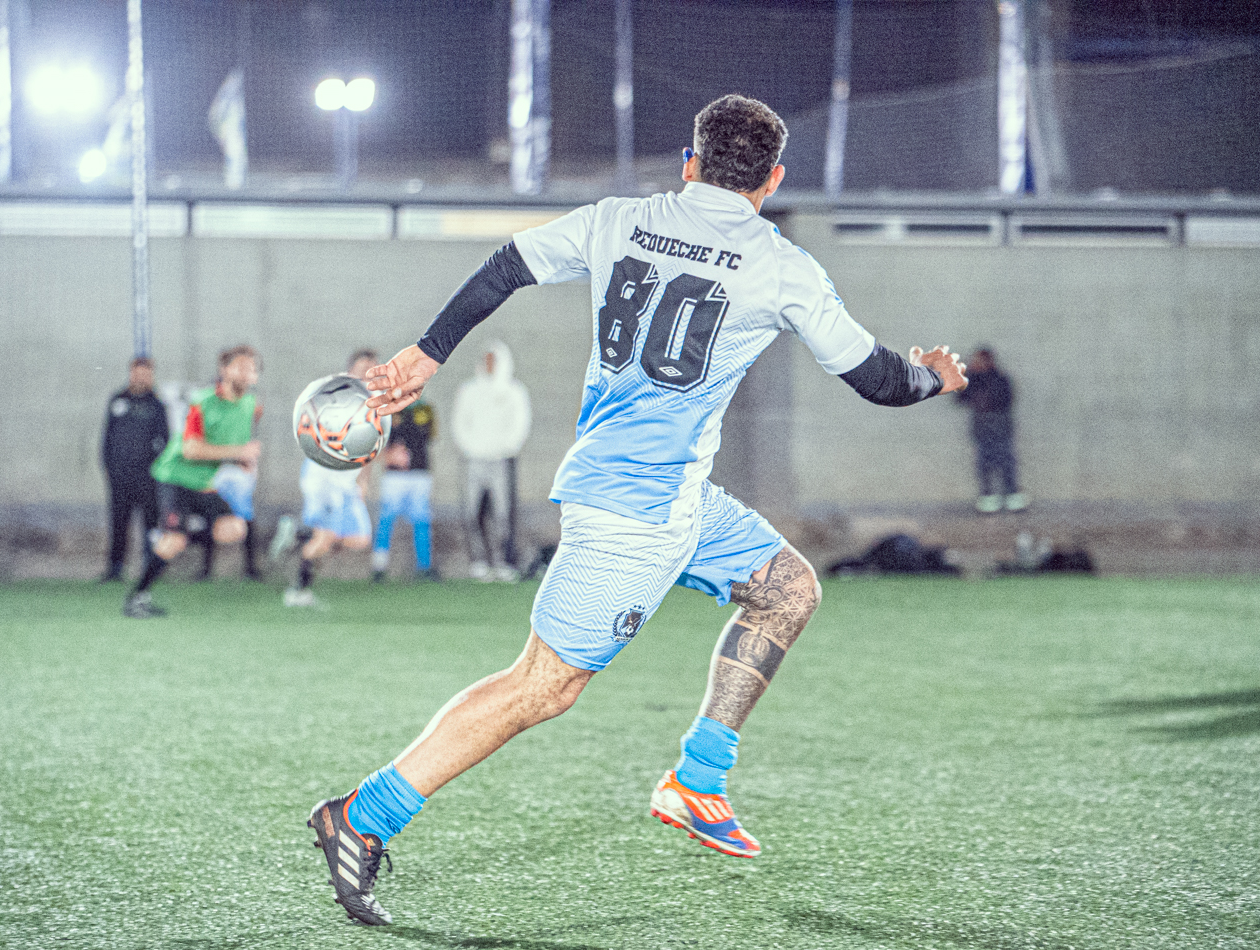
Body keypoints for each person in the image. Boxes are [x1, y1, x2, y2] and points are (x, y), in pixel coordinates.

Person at [306, 94, 969, 926]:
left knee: (787, 588)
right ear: (771, 181)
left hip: (676, 498)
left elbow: (507, 264)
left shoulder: (619, 219)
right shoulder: (781, 266)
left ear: (689, 164)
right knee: (541, 686)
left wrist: (425, 353)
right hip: (633, 517)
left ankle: (697, 779)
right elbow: (877, 380)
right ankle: (360, 816)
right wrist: (934, 375)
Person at [123, 345, 262, 618]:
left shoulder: (250, 405)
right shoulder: (202, 402)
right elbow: (191, 449)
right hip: (175, 477)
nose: (247, 372)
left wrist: (240, 460)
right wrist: (238, 452)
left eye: (252, 368)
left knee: (234, 529)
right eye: (240, 366)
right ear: (224, 370)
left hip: (204, 482)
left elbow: (230, 445)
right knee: (174, 541)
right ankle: (137, 597)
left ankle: (179, 533)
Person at [271, 351, 376, 607]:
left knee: (360, 538)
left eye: (372, 369)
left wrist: (362, 481)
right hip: (325, 478)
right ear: (350, 372)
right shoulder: (337, 398)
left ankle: (298, 532)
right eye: (362, 368)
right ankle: (297, 592)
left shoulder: (375, 404)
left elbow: (372, 449)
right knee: (325, 538)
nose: (367, 374)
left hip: (346, 483)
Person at [450, 341, 531, 581]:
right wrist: (471, 447)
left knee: (503, 512)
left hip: (502, 459)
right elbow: (460, 422)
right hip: (473, 459)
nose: (489, 365)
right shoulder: (469, 390)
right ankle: (479, 561)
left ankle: (505, 561)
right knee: (472, 511)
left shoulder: (514, 391)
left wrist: (505, 448)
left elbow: (520, 424)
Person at [100, 357, 170, 582]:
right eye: (137, 373)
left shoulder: (156, 404)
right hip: (120, 476)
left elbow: (165, 440)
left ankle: (151, 568)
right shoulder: (118, 400)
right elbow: (108, 438)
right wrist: (108, 466)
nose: (141, 378)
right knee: (119, 522)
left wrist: (159, 469)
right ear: (131, 374)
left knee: (151, 523)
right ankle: (115, 568)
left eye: (145, 374)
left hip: (147, 477)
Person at [371, 396, 438, 583]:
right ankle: (379, 566)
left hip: (420, 473)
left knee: (422, 520)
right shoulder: (388, 409)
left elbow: (429, 436)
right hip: (395, 476)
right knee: (386, 520)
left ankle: (424, 566)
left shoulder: (424, 408)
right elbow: (374, 445)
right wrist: (388, 456)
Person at [957, 347, 1028, 513]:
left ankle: (1011, 495)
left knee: (1006, 462)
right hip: (982, 429)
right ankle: (988, 496)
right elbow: (960, 399)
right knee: (984, 463)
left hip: (1001, 428)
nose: (977, 364)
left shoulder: (1000, 378)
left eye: (980, 361)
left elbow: (1006, 400)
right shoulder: (971, 380)